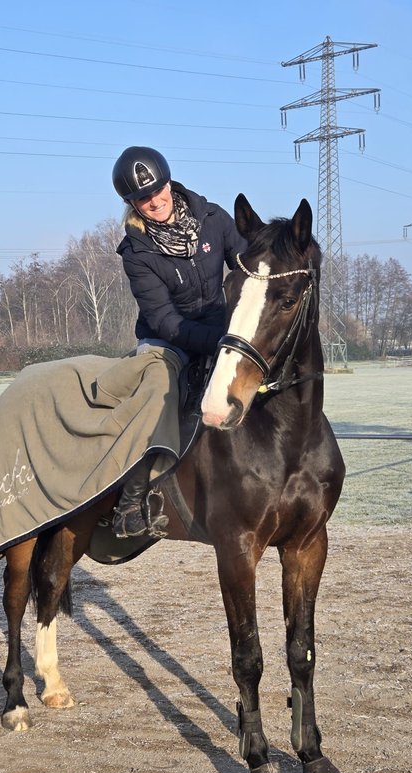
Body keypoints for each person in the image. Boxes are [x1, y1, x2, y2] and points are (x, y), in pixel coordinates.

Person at [110, 145, 247, 539]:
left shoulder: (214, 218)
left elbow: (246, 268)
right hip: (167, 342)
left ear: (169, 183)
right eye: (143, 199)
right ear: (132, 204)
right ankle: (130, 501)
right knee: (157, 393)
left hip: (222, 330)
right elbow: (165, 320)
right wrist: (220, 341)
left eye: (157, 190)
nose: (155, 202)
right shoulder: (136, 252)